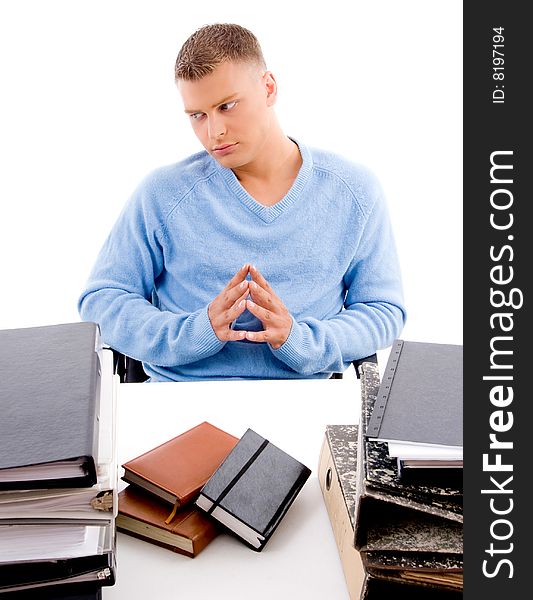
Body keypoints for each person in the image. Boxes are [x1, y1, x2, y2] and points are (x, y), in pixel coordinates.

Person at [78, 23, 406, 382]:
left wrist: (302, 340)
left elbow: (382, 309)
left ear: (268, 88)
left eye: (227, 105)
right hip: (179, 397)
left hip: (305, 401)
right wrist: (194, 332)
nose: (213, 132)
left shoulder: (353, 191)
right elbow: (103, 300)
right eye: (197, 115)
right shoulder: (163, 193)